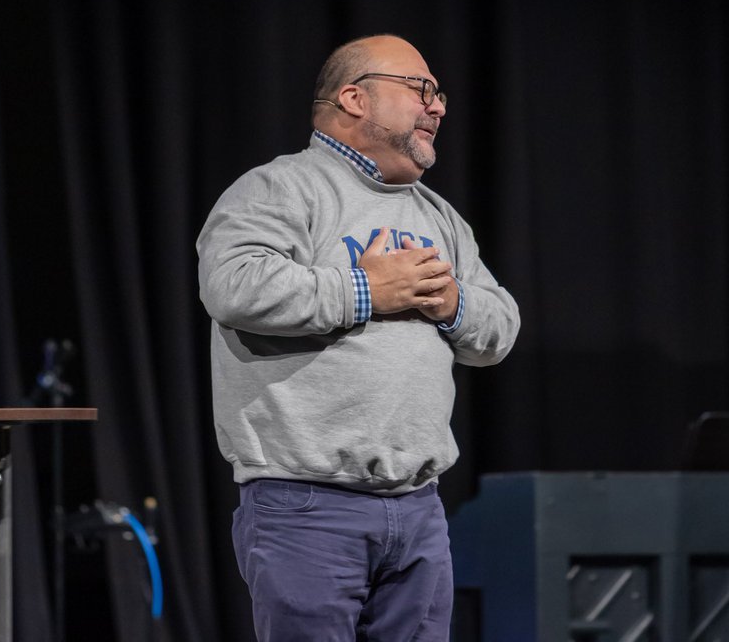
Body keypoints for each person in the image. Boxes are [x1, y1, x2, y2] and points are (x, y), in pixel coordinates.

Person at [197, 34, 520, 641]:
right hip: (307, 507)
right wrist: (367, 290)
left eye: (439, 94)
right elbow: (233, 286)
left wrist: (453, 303)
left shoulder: (438, 216)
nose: (438, 106)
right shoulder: (279, 188)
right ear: (353, 98)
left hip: (419, 508)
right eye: (420, 89)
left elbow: (499, 329)